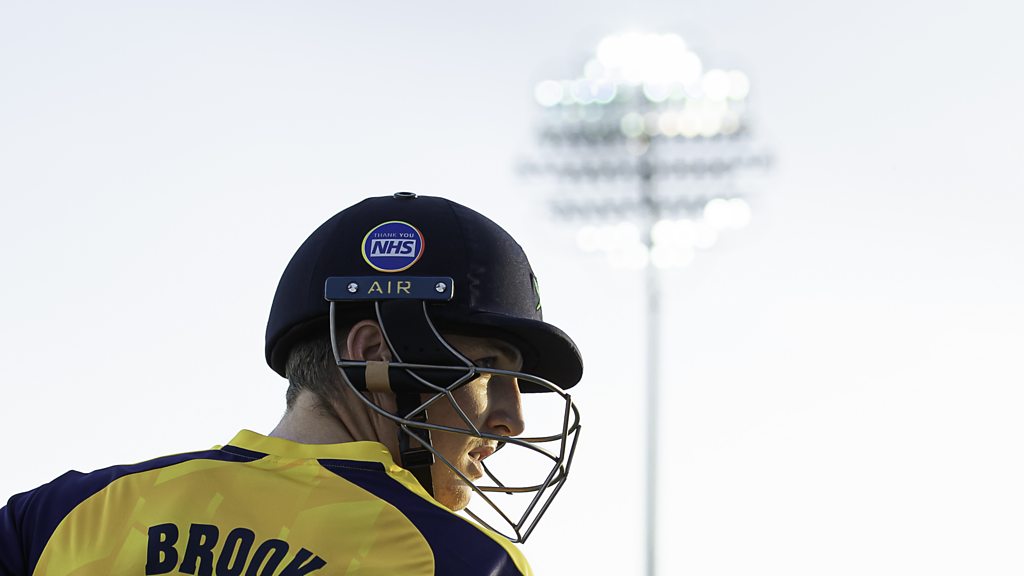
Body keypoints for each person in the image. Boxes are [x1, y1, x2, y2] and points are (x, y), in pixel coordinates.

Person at [0, 193, 583, 576]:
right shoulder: (462, 562)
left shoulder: (59, 517)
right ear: (375, 353)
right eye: (490, 370)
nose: (513, 419)